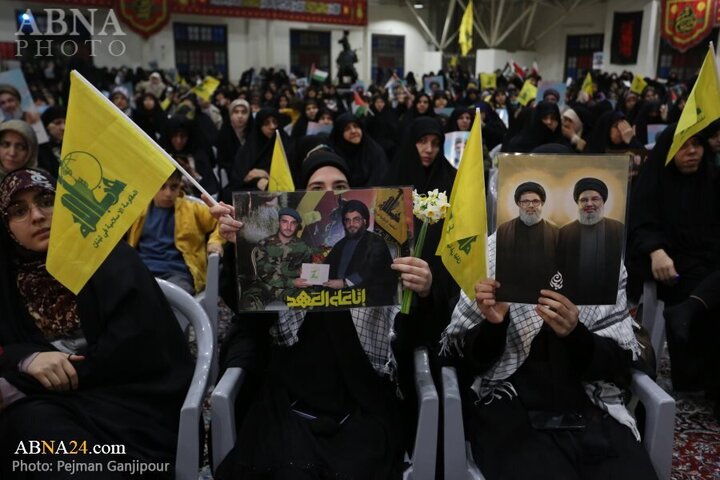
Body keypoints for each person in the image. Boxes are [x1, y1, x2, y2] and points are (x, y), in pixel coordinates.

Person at [205, 151, 432, 479]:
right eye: (317, 186)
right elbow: (255, 312)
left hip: (362, 401)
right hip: (290, 402)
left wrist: (422, 291)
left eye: (340, 185)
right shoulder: (312, 247)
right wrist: (236, 249)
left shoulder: (378, 247)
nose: (331, 193)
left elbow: (404, 332)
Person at [0, 168, 194, 479]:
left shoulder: (109, 258)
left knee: (41, 443)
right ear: (6, 227)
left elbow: (134, 351)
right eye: (19, 211)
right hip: (53, 406)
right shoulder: (10, 279)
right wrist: (27, 359)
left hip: (133, 410)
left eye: (46, 201)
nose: (37, 216)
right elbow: (7, 344)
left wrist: (27, 382)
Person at [440, 234, 657, 480]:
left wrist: (576, 334)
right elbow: (465, 361)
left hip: (589, 404)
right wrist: (494, 326)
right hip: (509, 404)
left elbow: (616, 362)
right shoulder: (490, 255)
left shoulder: (600, 257)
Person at [627, 125, 720, 393]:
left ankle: (689, 308)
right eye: (683, 145)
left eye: (697, 144)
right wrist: (655, 251)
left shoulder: (711, 179)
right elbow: (640, 225)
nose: (692, 152)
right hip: (675, 263)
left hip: (710, 260)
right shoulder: (655, 180)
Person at [126, 169, 223, 294]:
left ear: (180, 186)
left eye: (174, 187)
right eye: (162, 187)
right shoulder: (138, 209)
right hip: (142, 271)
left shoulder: (192, 209)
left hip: (177, 273)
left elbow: (221, 220)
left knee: (175, 297)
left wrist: (215, 241)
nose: (168, 193)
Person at [557, 178, 625, 305]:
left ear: (603, 201)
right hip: (573, 303)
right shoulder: (565, 232)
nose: (589, 204)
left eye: (595, 199)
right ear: (577, 203)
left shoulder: (618, 229)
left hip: (609, 303)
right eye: (584, 200)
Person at [324, 199, 397, 307]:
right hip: (340, 301)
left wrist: (344, 283)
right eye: (347, 220)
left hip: (370, 303)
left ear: (365, 221)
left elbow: (369, 272)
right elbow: (327, 266)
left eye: (356, 219)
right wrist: (311, 271)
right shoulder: (340, 245)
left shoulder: (376, 241)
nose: (351, 224)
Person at [495, 182, 559, 304]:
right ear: (518, 204)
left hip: (544, 298)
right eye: (525, 202)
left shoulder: (555, 231)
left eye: (535, 201)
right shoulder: (504, 230)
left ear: (542, 203)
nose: (530, 205)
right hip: (511, 297)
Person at [242, 207, 315, 309]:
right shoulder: (264, 244)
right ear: (278, 223)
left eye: (293, 223)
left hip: (291, 289)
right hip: (265, 287)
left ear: (297, 226)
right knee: (249, 302)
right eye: (285, 222)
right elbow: (265, 274)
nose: (288, 227)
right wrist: (292, 282)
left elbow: (307, 268)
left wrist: (305, 273)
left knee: (311, 299)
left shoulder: (303, 247)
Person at [329, 112, 388, 188]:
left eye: (356, 126)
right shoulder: (334, 155)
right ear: (340, 134)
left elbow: (381, 179)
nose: (353, 131)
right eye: (347, 129)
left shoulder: (375, 151)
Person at [37, 106, 65, 176]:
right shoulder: (39, 151)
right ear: (46, 126)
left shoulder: (74, 146)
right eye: (57, 123)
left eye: (66, 122)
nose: (63, 127)